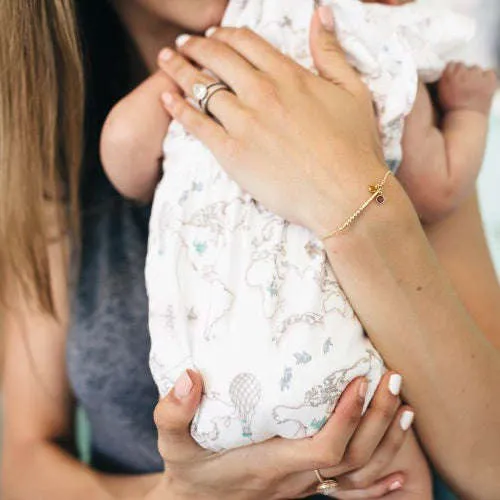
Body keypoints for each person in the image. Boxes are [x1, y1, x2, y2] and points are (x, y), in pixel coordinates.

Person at [1, 1, 499, 500]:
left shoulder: (376, 68)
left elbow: (492, 469)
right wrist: (180, 495)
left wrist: (353, 202)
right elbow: (20, 462)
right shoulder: (55, 150)